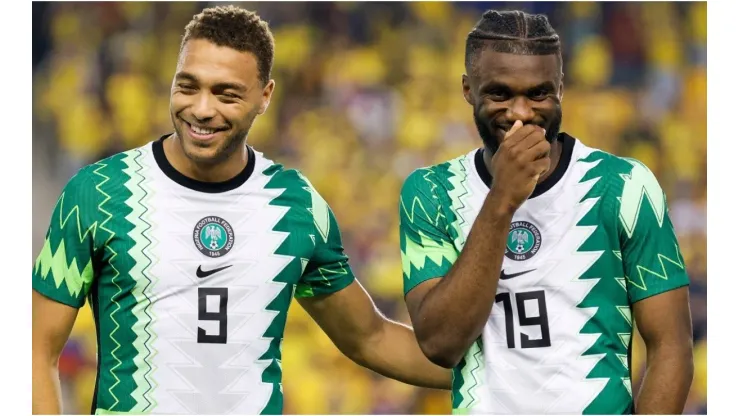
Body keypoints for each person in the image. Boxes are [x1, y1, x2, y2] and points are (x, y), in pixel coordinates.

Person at [32, 6, 450, 415]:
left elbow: (370, 337)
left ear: (265, 96)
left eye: (225, 93)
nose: (201, 109)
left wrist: (504, 366)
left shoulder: (295, 204)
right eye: (187, 86)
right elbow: (34, 348)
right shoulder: (98, 193)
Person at [399, 10, 693, 415]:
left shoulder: (625, 186)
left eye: (538, 94)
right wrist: (502, 199)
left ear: (561, 88)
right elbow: (441, 344)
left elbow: (672, 348)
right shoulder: (431, 193)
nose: (521, 112)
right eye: (499, 94)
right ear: (468, 89)